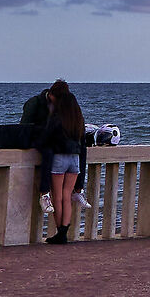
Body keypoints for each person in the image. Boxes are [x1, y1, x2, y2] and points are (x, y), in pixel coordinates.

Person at [39, 80, 89, 245]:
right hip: (75, 159)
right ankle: (64, 231)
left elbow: (46, 137)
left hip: (60, 158)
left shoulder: (56, 117)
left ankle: (60, 232)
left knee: (57, 197)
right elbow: (83, 140)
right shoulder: (77, 118)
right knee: (67, 196)